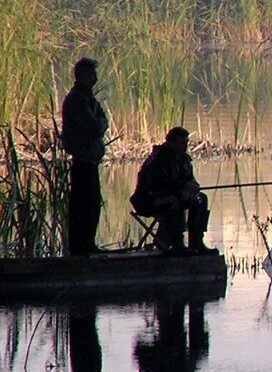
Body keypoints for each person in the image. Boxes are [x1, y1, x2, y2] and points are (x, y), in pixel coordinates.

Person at [130, 127, 216, 255]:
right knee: (174, 200)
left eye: (186, 143)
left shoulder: (184, 160)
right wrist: (182, 188)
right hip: (148, 200)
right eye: (182, 143)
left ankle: (196, 242)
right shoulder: (157, 160)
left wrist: (192, 187)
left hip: (176, 196)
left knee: (201, 198)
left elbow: (190, 180)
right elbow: (158, 185)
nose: (185, 146)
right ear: (171, 143)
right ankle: (177, 244)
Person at [60, 57, 109, 256]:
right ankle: (80, 247)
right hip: (82, 160)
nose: (95, 78)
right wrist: (100, 124)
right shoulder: (77, 100)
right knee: (83, 205)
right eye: (91, 74)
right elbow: (95, 125)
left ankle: (88, 244)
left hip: (91, 160)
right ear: (81, 76)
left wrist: (100, 123)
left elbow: (102, 120)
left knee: (92, 203)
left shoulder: (89, 99)